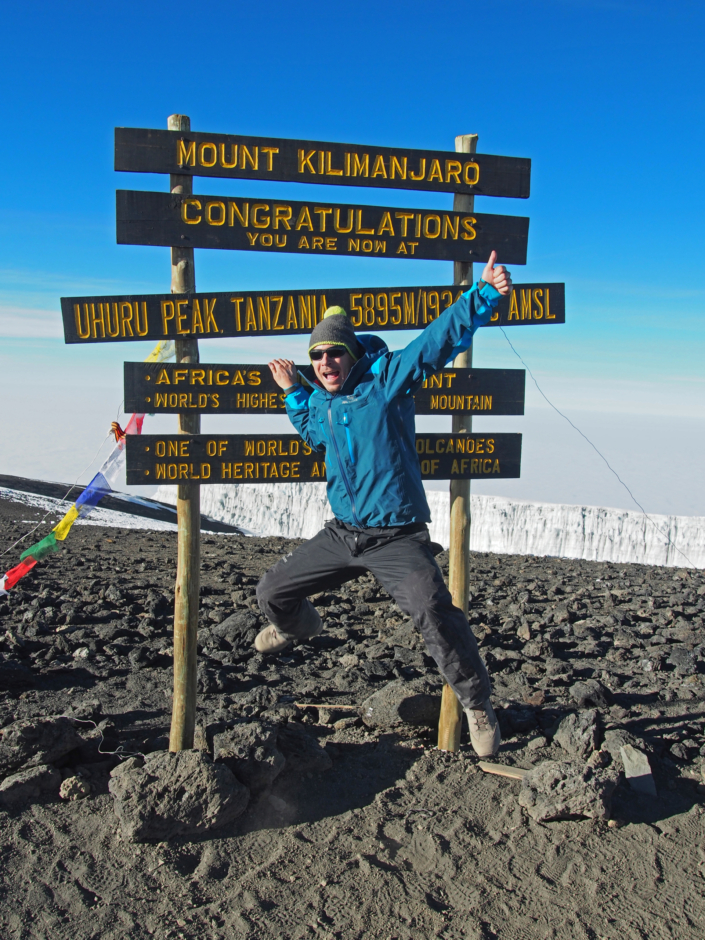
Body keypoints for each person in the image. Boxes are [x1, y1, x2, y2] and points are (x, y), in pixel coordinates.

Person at [255, 252, 512, 757]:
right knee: (271, 591)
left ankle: (477, 705)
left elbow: (435, 342)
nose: (326, 363)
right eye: (317, 356)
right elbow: (313, 434)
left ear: (351, 354)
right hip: (343, 533)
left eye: (334, 353)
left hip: (395, 535)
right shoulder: (323, 402)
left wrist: (482, 295)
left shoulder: (387, 381)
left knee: (435, 613)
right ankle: (298, 627)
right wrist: (293, 394)